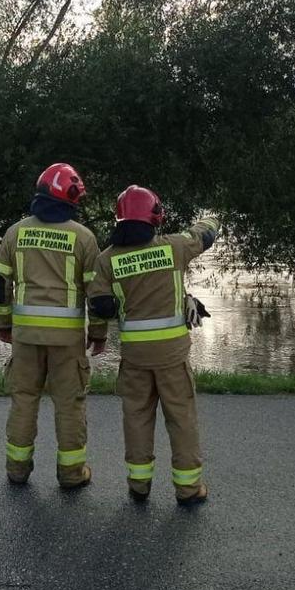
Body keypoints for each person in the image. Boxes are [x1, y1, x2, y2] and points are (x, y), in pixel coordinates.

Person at [86, 185, 220, 506]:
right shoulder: (173, 248)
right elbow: (202, 236)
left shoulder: (106, 260)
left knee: (136, 417)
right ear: (155, 216)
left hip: (134, 358)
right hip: (173, 356)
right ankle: (188, 490)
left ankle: (139, 485)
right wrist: (214, 216)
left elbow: (100, 305)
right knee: (181, 418)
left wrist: (101, 335)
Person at [0, 163, 108, 489]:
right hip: (67, 339)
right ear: (70, 199)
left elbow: (1, 283)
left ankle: (17, 470)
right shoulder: (83, 238)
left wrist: (4, 323)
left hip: (26, 336)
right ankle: (72, 475)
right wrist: (98, 332)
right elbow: (97, 293)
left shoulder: (16, 232)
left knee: (24, 399)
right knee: (69, 404)